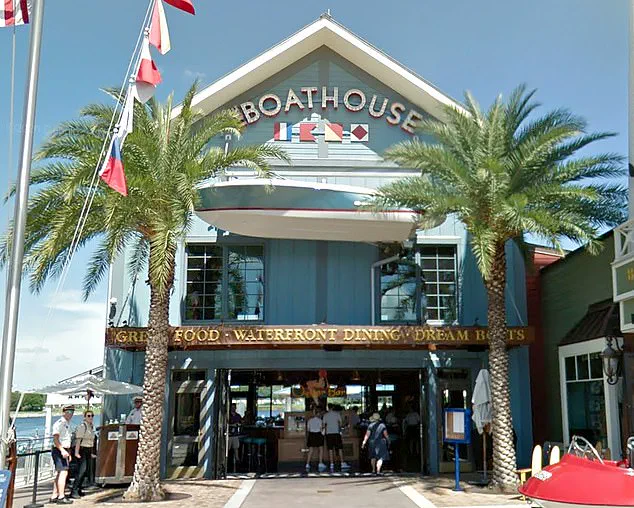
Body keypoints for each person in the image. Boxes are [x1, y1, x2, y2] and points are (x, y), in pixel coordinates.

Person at [50, 405, 75, 504]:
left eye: (72, 412)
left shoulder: (67, 424)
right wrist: (62, 450)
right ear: (63, 412)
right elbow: (56, 439)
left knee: (60, 472)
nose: (70, 414)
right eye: (68, 412)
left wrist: (68, 452)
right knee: (63, 472)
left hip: (65, 449)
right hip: (59, 449)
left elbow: (67, 440)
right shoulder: (59, 423)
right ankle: (61, 496)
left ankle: (55, 495)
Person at [71, 410, 96, 499]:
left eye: (92, 416)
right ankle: (74, 490)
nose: (90, 417)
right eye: (88, 416)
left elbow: (91, 441)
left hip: (88, 450)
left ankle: (79, 489)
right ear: (84, 417)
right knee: (81, 470)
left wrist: (91, 453)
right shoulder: (83, 426)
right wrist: (76, 453)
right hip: (82, 449)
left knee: (85, 471)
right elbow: (78, 440)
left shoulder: (91, 427)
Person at [323, 404, 350, 472]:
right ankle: (342, 463)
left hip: (328, 434)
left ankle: (331, 464)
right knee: (340, 448)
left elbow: (323, 425)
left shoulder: (325, 415)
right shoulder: (337, 414)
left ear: (328, 407)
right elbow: (341, 424)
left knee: (330, 449)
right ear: (333, 407)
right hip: (336, 433)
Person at [228, 403, 242, 470]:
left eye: (234, 407)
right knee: (227, 449)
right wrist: (232, 425)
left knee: (236, 448)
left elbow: (241, 423)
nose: (233, 409)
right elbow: (225, 424)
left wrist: (239, 424)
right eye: (232, 407)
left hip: (235, 434)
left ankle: (237, 462)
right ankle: (227, 462)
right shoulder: (227, 415)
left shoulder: (238, 416)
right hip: (229, 435)